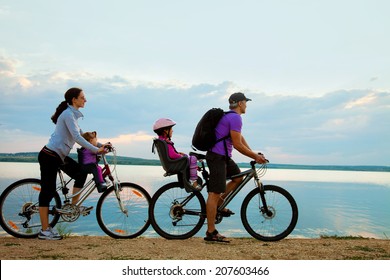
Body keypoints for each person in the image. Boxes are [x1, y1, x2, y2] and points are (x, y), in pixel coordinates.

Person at [38, 87, 109, 240]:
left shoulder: (73, 116)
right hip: (49, 156)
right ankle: (44, 230)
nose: (85, 100)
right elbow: (77, 138)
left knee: (81, 172)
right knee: (47, 191)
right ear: (74, 100)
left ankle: (73, 207)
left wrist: (102, 145)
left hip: (58, 156)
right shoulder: (68, 115)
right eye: (83, 97)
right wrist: (96, 151)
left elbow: (84, 136)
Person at [204, 92, 267, 242]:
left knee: (238, 178)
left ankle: (220, 202)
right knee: (214, 193)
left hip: (223, 157)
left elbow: (240, 139)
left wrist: (253, 152)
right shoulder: (235, 117)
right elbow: (237, 145)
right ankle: (211, 232)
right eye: (246, 102)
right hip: (217, 157)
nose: (246, 105)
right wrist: (255, 157)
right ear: (240, 103)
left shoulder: (231, 117)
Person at [153, 118, 201, 191]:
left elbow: (171, 153)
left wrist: (179, 154)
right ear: (165, 131)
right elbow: (172, 155)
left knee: (189, 158)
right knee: (193, 158)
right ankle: (193, 181)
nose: (172, 130)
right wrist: (181, 156)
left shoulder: (162, 140)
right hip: (174, 164)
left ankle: (193, 176)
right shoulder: (166, 142)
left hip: (171, 164)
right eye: (171, 129)